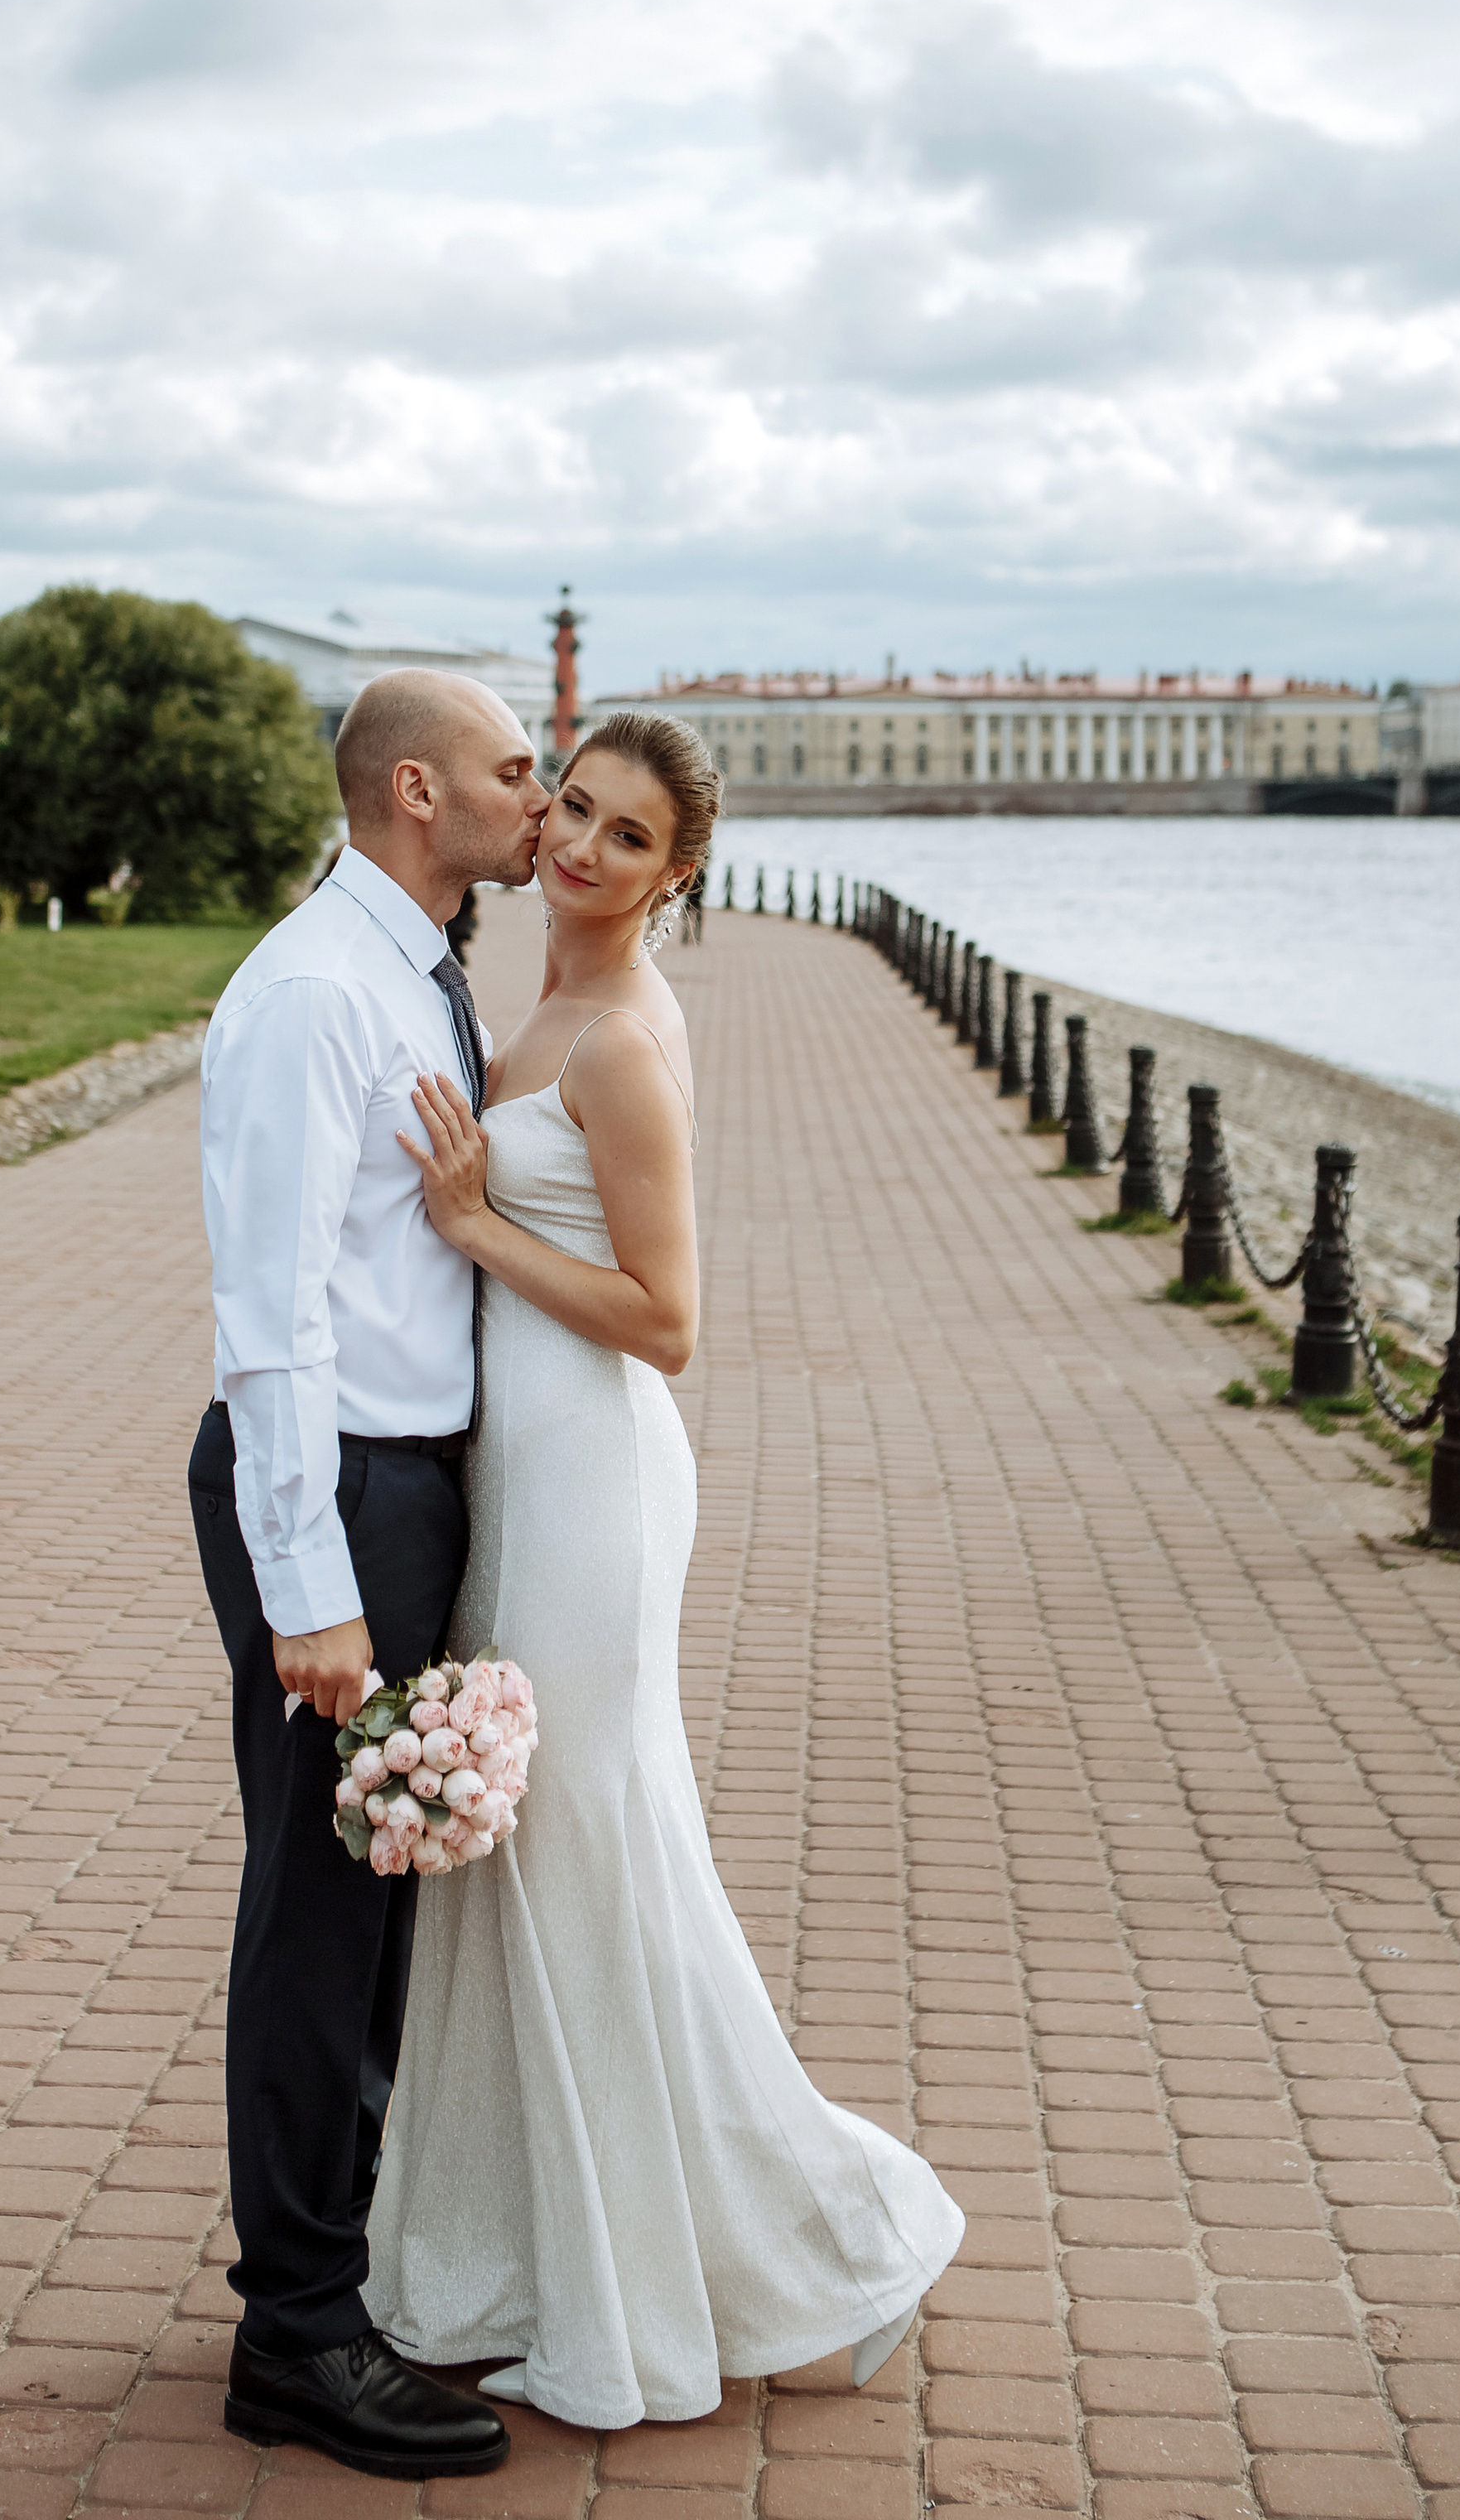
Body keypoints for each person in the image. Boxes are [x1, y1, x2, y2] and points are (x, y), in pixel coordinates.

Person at [368, 710, 963, 2427]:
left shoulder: (619, 1039)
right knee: (532, 1860)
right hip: (518, 1468)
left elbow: (671, 1323)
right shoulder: (532, 1005)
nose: (578, 846)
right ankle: (530, 2252)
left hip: (593, 1480)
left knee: (591, 1857)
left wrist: (478, 1231)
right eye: (570, 808)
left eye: (627, 837)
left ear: (674, 874)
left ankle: (803, 2234)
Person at [188, 669, 549, 2479]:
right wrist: (305, 1578)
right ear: (418, 791)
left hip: (406, 1484)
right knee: (321, 1906)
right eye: (512, 767)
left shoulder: (413, 963)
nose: (537, 791)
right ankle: (296, 2335)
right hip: (328, 1491)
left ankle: (352, 2259)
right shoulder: (309, 996)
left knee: (384, 1894)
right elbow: (268, 1320)